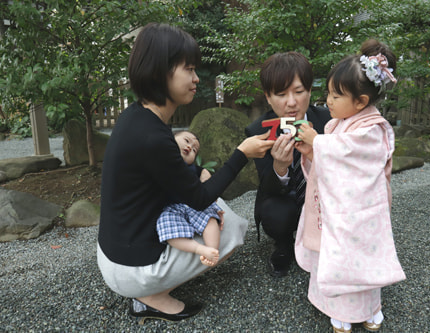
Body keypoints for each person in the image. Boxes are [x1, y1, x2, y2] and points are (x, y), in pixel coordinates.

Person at [97, 23, 274, 324]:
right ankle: (150, 297)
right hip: (131, 267)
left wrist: (193, 166)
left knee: (217, 211)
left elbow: (169, 180)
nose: (195, 79)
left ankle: (155, 282)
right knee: (231, 228)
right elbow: (199, 197)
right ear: (159, 71)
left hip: (114, 249)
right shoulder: (153, 136)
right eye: (189, 70)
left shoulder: (136, 117)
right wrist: (241, 154)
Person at [294, 39, 406, 333]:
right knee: (336, 254)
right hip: (338, 209)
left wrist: (316, 141)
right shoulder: (336, 126)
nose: (328, 101)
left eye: (337, 95)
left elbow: (350, 154)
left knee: (357, 255)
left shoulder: (372, 128)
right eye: (328, 93)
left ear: (361, 103)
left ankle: (368, 309)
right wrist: (312, 152)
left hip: (360, 212)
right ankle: (338, 308)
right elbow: (333, 154)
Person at [245, 52, 331, 277]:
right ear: (268, 97)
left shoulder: (329, 121)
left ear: (310, 91)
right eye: (281, 94)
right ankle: (283, 244)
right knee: (275, 212)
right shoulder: (258, 130)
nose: (292, 102)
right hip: (285, 199)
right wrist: (279, 167)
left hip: (324, 195)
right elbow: (266, 187)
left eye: (299, 92)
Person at [156, 130, 223, 267]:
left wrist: (206, 174)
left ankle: (213, 250)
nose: (189, 147)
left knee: (210, 219)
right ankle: (199, 248)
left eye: (194, 150)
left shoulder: (193, 169)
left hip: (193, 202)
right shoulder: (161, 161)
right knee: (167, 227)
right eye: (186, 141)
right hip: (171, 207)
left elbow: (205, 180)